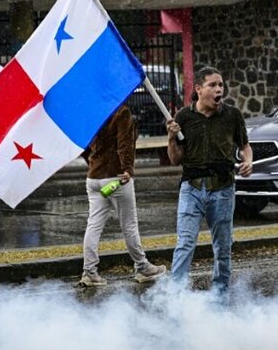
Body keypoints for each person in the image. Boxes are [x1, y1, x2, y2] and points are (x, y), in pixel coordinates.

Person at [166, 66, 253, 293]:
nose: (218, 89)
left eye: (221, 85)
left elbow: (245, 146)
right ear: (198, 89)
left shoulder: (232, 115)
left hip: (223, 188)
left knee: (223, 247)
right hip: (191, 188)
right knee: (185, 243)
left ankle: (220, 295)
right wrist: (171, 138)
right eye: (212, 85)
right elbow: (175, 159)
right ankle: (175, 295)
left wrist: (248, 161)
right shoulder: (184, 116)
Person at [79, 105, 166, 287]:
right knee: (129, 225)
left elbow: (83, 144)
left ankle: (89, 272)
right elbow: (125, 143)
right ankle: (142, 267)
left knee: (93, 225)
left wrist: (93, 162)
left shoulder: (93, 111)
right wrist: (127, 168)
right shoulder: (121, 112)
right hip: (116, 178)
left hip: (94, 177)